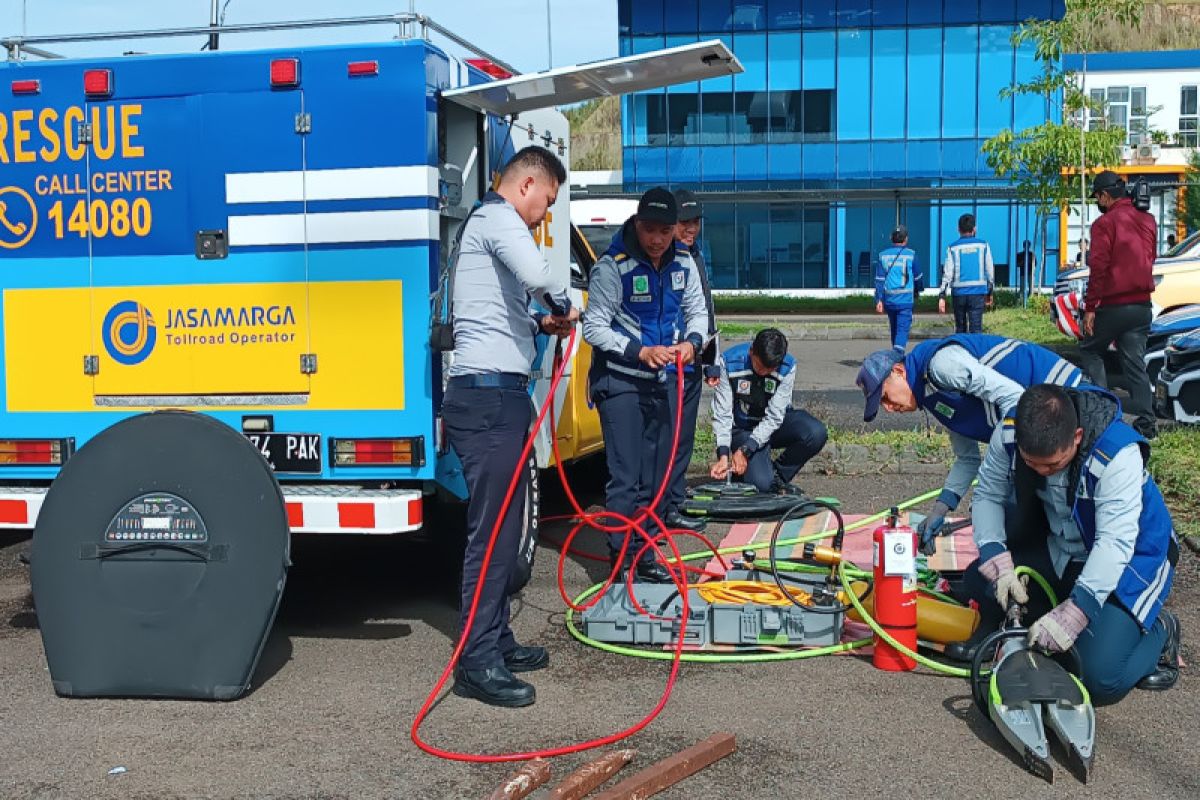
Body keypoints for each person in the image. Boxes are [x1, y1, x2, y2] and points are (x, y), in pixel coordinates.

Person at [442, 146, 579, 708]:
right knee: (492, 534)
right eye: (545, 203)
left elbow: (503, 307)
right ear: (525, 184)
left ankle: (495, 638)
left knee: (504, 530)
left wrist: (541, 322)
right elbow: (540, 275)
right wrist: (565, 302)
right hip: (488, 402)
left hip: (499, 399)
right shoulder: (498, 219)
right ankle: (476, 663)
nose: (543, 215)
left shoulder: (485, 229)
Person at [948, 384, 1181, 705]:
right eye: (1032, 464)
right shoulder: (1010, 431)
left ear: (1076, 437)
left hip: (1134, 559)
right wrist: (995, 555)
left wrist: (1077, 612)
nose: (1042, 472)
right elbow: (988, 493)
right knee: (981, 579)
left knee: (1096, 679)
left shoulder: (1116, 454)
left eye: (1052, 465)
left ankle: (1160, 631)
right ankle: (1014, 619)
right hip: (1066, 547)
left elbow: (1115, 543)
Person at [856, 334, 1084, 555]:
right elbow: (967, 458)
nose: (888, 407)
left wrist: (993, 474)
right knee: (1020, 514)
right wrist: (940, 510)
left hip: (1067, 395)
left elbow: (1015, 400)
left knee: (1033, 512)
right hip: (1039, 419)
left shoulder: (941, 366)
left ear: (898, 371)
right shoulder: (931, 396)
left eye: (885, 397)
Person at [583, 187, 708, 582]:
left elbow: (697, 312)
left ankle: (646, 553)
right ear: (637, 225)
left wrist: (692, 343)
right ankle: (621, 560)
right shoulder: (612, 267)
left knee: (657, 477)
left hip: (664, 382)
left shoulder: (684, 263)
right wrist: (639, 352)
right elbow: (594, 327)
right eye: (649, 230)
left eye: (665, 231)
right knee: (627, 476)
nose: (656, 239)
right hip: (620, 381)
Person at [1078, 170, 1158, 439]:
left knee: (1090, 349)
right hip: (1142, 306)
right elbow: (1150, 256)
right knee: (1135, 363)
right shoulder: (1148, 220)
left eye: (1097, 197)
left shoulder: (1104, 224)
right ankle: (1147, 422)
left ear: (1104, 195)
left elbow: (1098, 267)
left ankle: (1101, 414)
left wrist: (1091, 308)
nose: (1097, 203)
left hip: (1113, 305)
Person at [709, 328, 828, 494]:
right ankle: (754, 473)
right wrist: (723, 455)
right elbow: (722, 414)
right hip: (743, 429)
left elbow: (775, 417)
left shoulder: (788, 366)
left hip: (772, 426)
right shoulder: (728, 362)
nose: (764, 373)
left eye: (770, 369)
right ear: (752, 352)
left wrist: (746, 450)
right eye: (760, 367)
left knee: (815, 432)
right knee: (761, 486)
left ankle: (776, 476)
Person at [662, 189, 717, 533]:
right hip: (667, 364)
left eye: (695, 222)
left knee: (684, 438)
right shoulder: (664, 257)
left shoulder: (694, 254)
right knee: (666, 441)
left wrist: (711, 360)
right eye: (685, 222)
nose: (691, 228)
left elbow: (705, 309)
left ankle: (676, 501)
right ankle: (662, 507)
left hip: (694, 362)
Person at [938, 214, 995, 334]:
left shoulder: (953, 248)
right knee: (976, 329)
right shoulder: (983, 245)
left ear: (958, 229)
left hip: (959, 294)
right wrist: (989, 292)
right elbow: (990, 271)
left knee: (960, 328)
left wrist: (942, 296)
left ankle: (961, 351)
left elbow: (948, 273)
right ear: (975, 229)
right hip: (978, 293)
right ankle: (975, 352)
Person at [874, 224, 924, 351]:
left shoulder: (883, 256)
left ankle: (895, 357)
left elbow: (879, 279)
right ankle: (897, 357)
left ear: (891, 238)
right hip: (905, 299)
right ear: (906, 239)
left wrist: (879, 299)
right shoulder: (911, 255)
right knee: (902, 330)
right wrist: (918, 290)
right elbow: (918, 277)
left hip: (890, 299)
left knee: (894, 329)